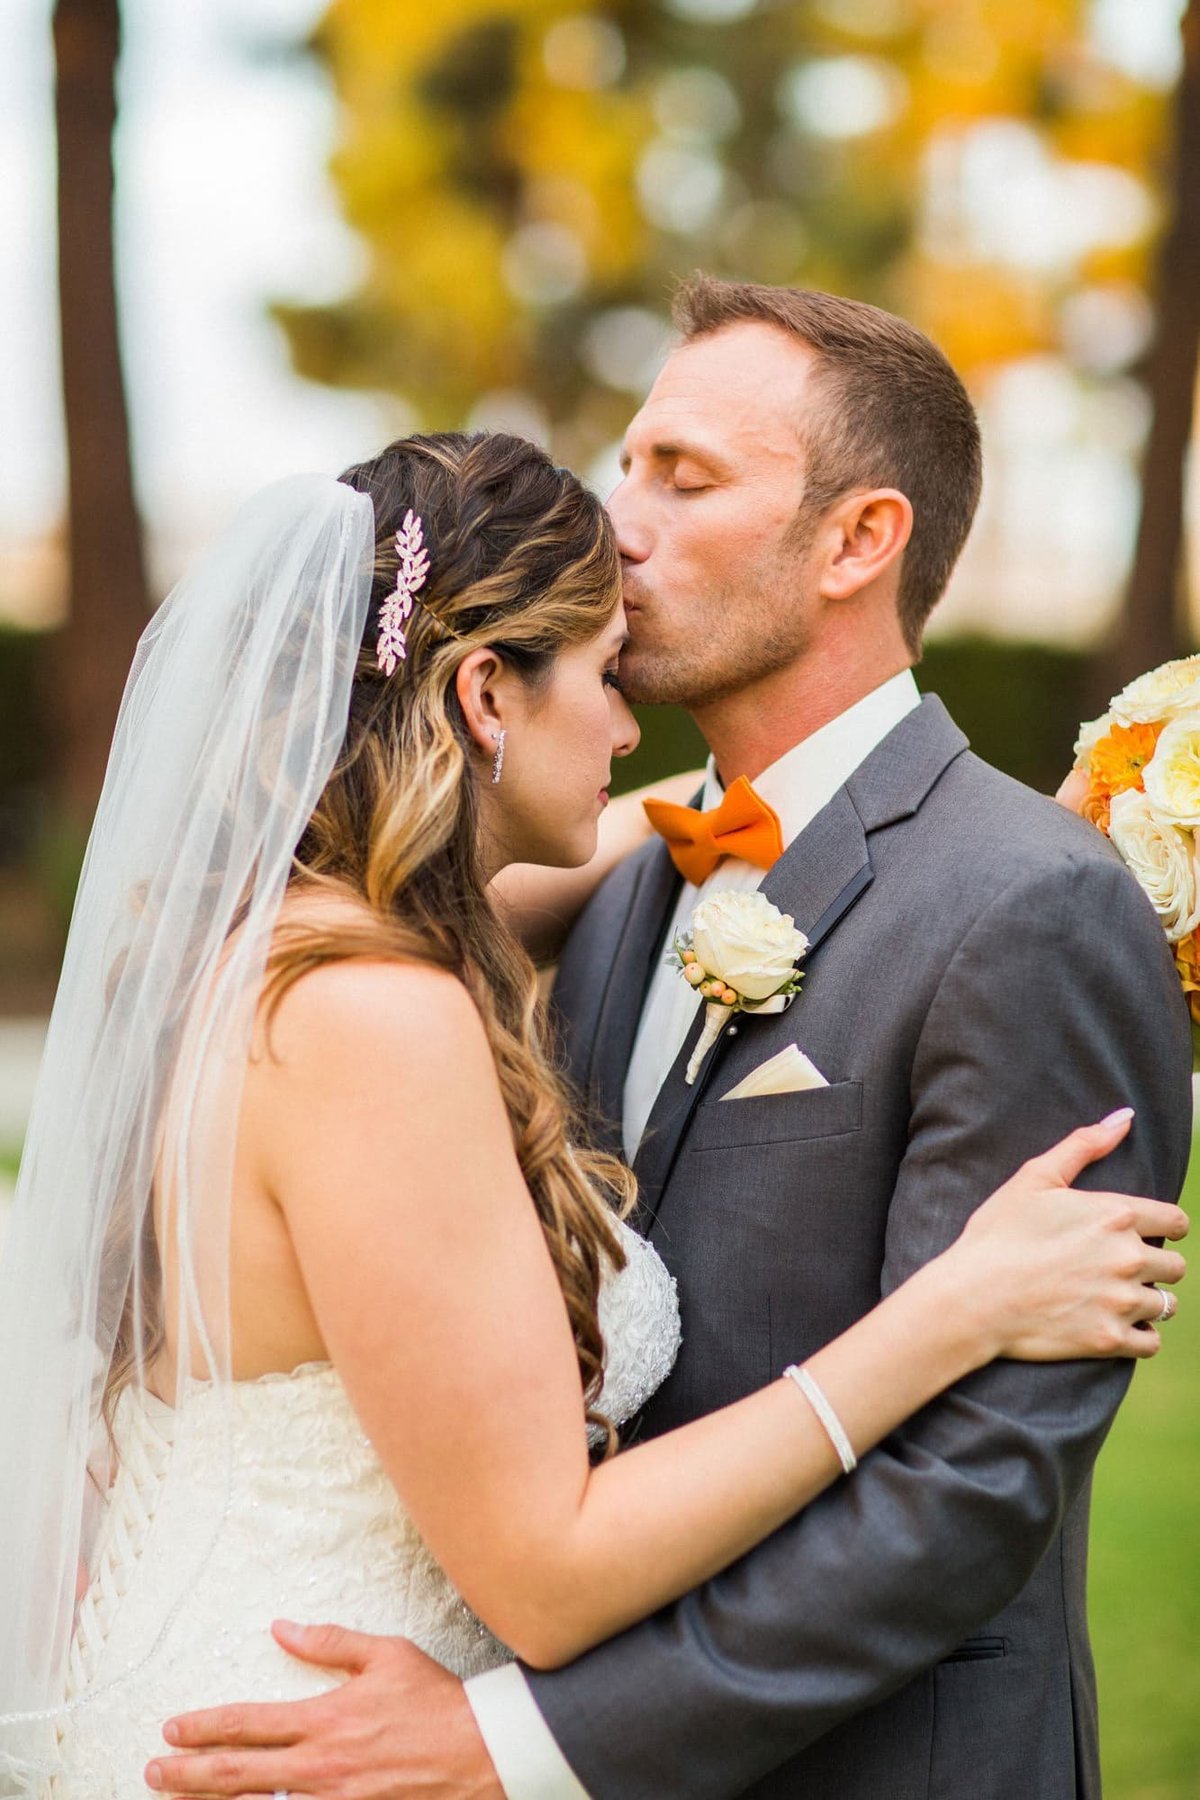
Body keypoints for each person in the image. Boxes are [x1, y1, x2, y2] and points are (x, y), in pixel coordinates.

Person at [0, 433, 1182, 1796]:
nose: (632, 731)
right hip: (330, 1745)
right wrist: (952, 1312)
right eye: (609, 676)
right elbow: (548, 1574)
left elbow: (683, 825)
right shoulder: (375, 1017)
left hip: (207, 1680)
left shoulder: (269, 943)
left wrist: (979, 838)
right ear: (486, 695)